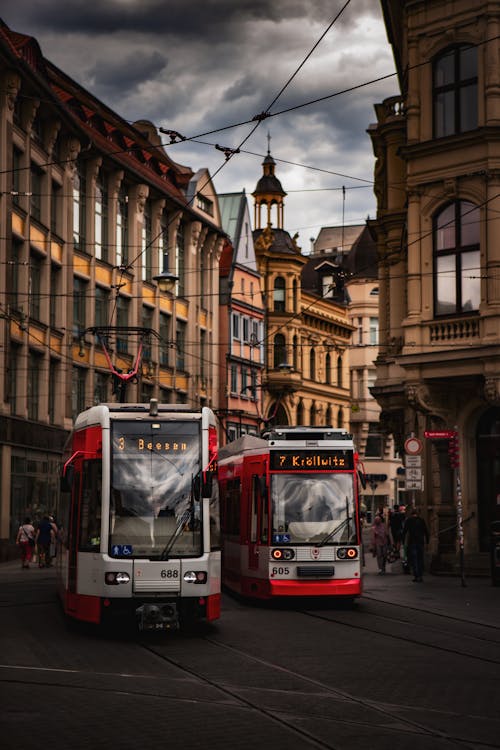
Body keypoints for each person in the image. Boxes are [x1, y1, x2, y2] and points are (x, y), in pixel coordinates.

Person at [402, 507, 429, 582]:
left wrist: (403, 541)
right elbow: (426, 531)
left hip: (412, 542)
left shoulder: (409, 520)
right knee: (420, 559)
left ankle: (416, 575)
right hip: (420, 542)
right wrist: (427, 541)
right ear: (418, 514)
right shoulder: (421, 520)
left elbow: (404, 531)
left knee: (414, 559)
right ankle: (420, 575)